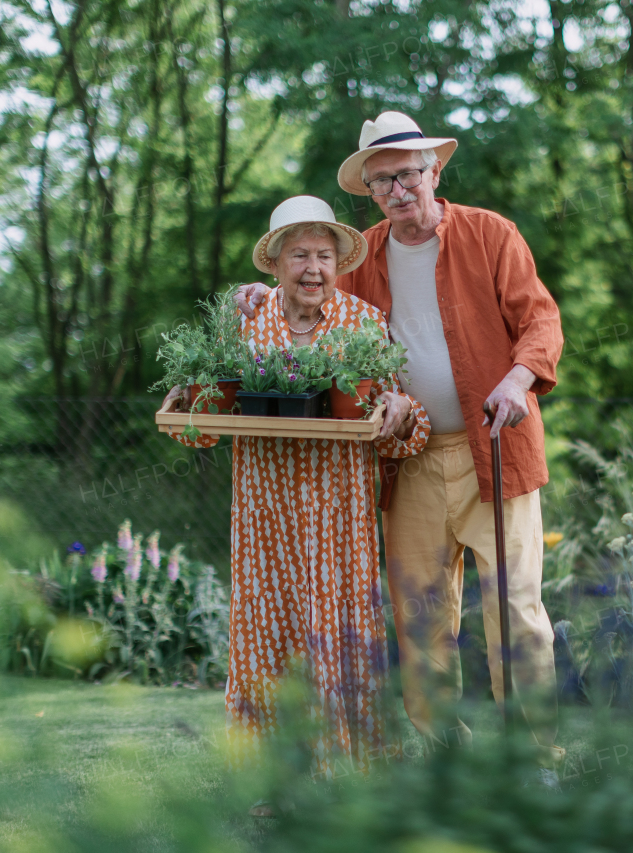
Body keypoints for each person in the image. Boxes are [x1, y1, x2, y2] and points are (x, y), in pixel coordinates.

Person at [236, 112, 566, 774]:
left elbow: (541, 317)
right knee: (421, 617)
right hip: (408, 459)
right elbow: (310, 302)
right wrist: (258, 296)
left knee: (515, 605)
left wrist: (516, 377)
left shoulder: (490, 234)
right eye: (382, 180)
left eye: (407, 173)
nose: (397, 188)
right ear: (371, 190)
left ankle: (534, 758)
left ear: (433, 172)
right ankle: (445, 752)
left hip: (495, 451)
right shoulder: (363, 259)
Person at [164, 196, 430, 805]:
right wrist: (189, 397)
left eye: (324, 256)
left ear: (338, 263)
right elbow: (209, 416)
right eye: (299, 255)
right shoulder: (246, 323)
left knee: (341, 630)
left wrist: (396, 411)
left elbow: (401, 423)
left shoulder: (363, 321)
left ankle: (351, 766)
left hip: (338, 512)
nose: (313, 268)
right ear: (276, 263)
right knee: (267, 630)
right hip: (266, 511)